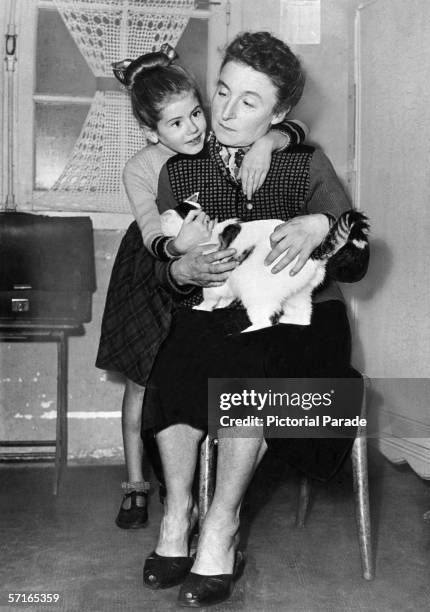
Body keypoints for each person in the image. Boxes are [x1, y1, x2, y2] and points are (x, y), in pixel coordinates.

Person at [140, 32, 369, 607]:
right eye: (221, 91)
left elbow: (357, 263)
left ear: (280, 112)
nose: (225, 110)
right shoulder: (180, 171)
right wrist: (184, 269)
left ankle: (221, 526)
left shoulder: (303, 158)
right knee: (176, 350)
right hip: (221, 313)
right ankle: (178, 515)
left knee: (249, 354)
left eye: (249, 100)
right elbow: (162, 277)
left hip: (309, 318)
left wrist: (324, 225)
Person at [95, 44, 308, 530]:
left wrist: (266, 143)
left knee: (193, 367)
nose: (192, 128)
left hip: (214, 267)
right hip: (152, 267)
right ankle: (136, 486)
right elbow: (151, 232)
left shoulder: (214, 138)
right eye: (176, 123)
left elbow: (294, 129)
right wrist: (177, 247)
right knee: (143, 378)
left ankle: (196, 497)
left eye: (196, 113)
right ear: (151, 131)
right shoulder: (141, 167)